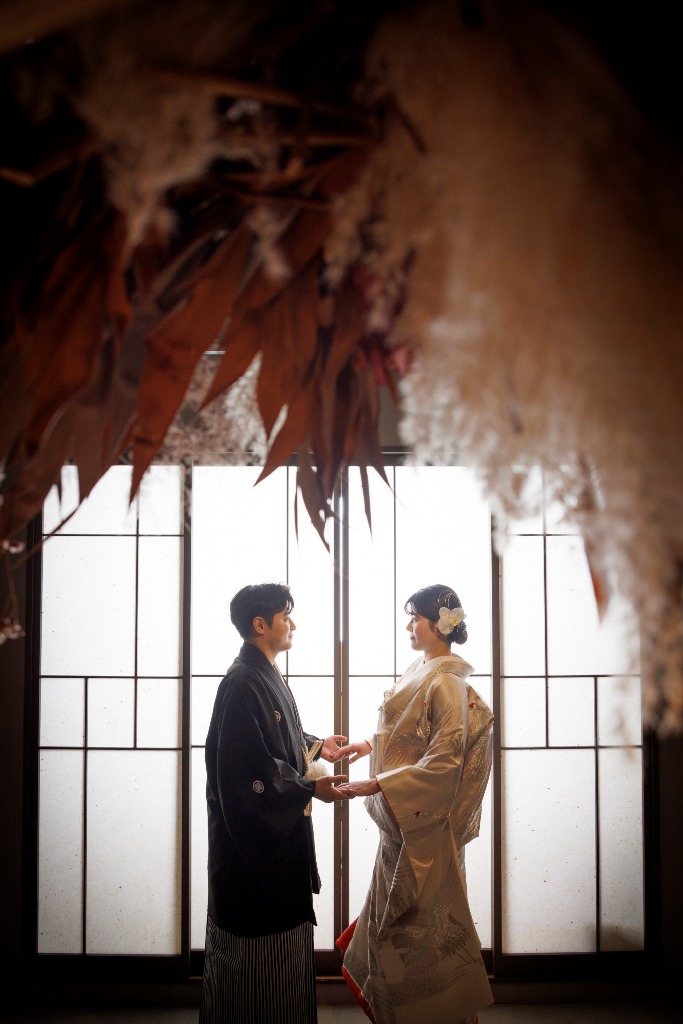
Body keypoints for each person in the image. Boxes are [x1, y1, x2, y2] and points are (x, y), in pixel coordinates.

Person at [334, 584, 494, 1024]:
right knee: (391, 927)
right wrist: (370, 746)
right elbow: (409, 734)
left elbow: (444, 761)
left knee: (418, 938)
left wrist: (378, 783)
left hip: (425, 831)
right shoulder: (423, 670)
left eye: (416, 618)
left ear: (440, 625)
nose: (409, 626)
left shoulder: (446, 683)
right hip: (403, 825)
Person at [199, 582, 350, 1024]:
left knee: (276, 965)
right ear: (260, 625)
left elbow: (277, 739)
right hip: (250, 857)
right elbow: (251, 773)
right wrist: (310, 789)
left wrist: (318, 746)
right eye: (286, 616)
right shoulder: (242, 682)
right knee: (254, 966)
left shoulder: (260, 673)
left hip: (272, 847)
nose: (293, 625)